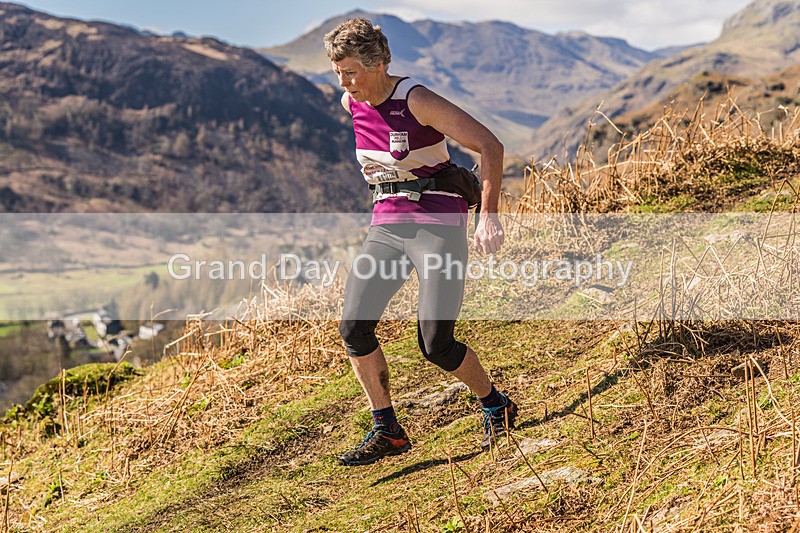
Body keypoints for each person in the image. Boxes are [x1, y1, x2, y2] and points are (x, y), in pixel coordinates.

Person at [324, 17, 517, 467]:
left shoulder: (416, 99)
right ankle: (387, 429)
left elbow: (491, 146)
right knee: (353, 327)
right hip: (387, 224)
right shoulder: (350, 102)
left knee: (436, 344)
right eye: (338, 71)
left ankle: (495, 404)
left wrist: (488, 217)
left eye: (351, 70)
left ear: (378, 64)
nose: (344, 81)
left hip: (437, 224)